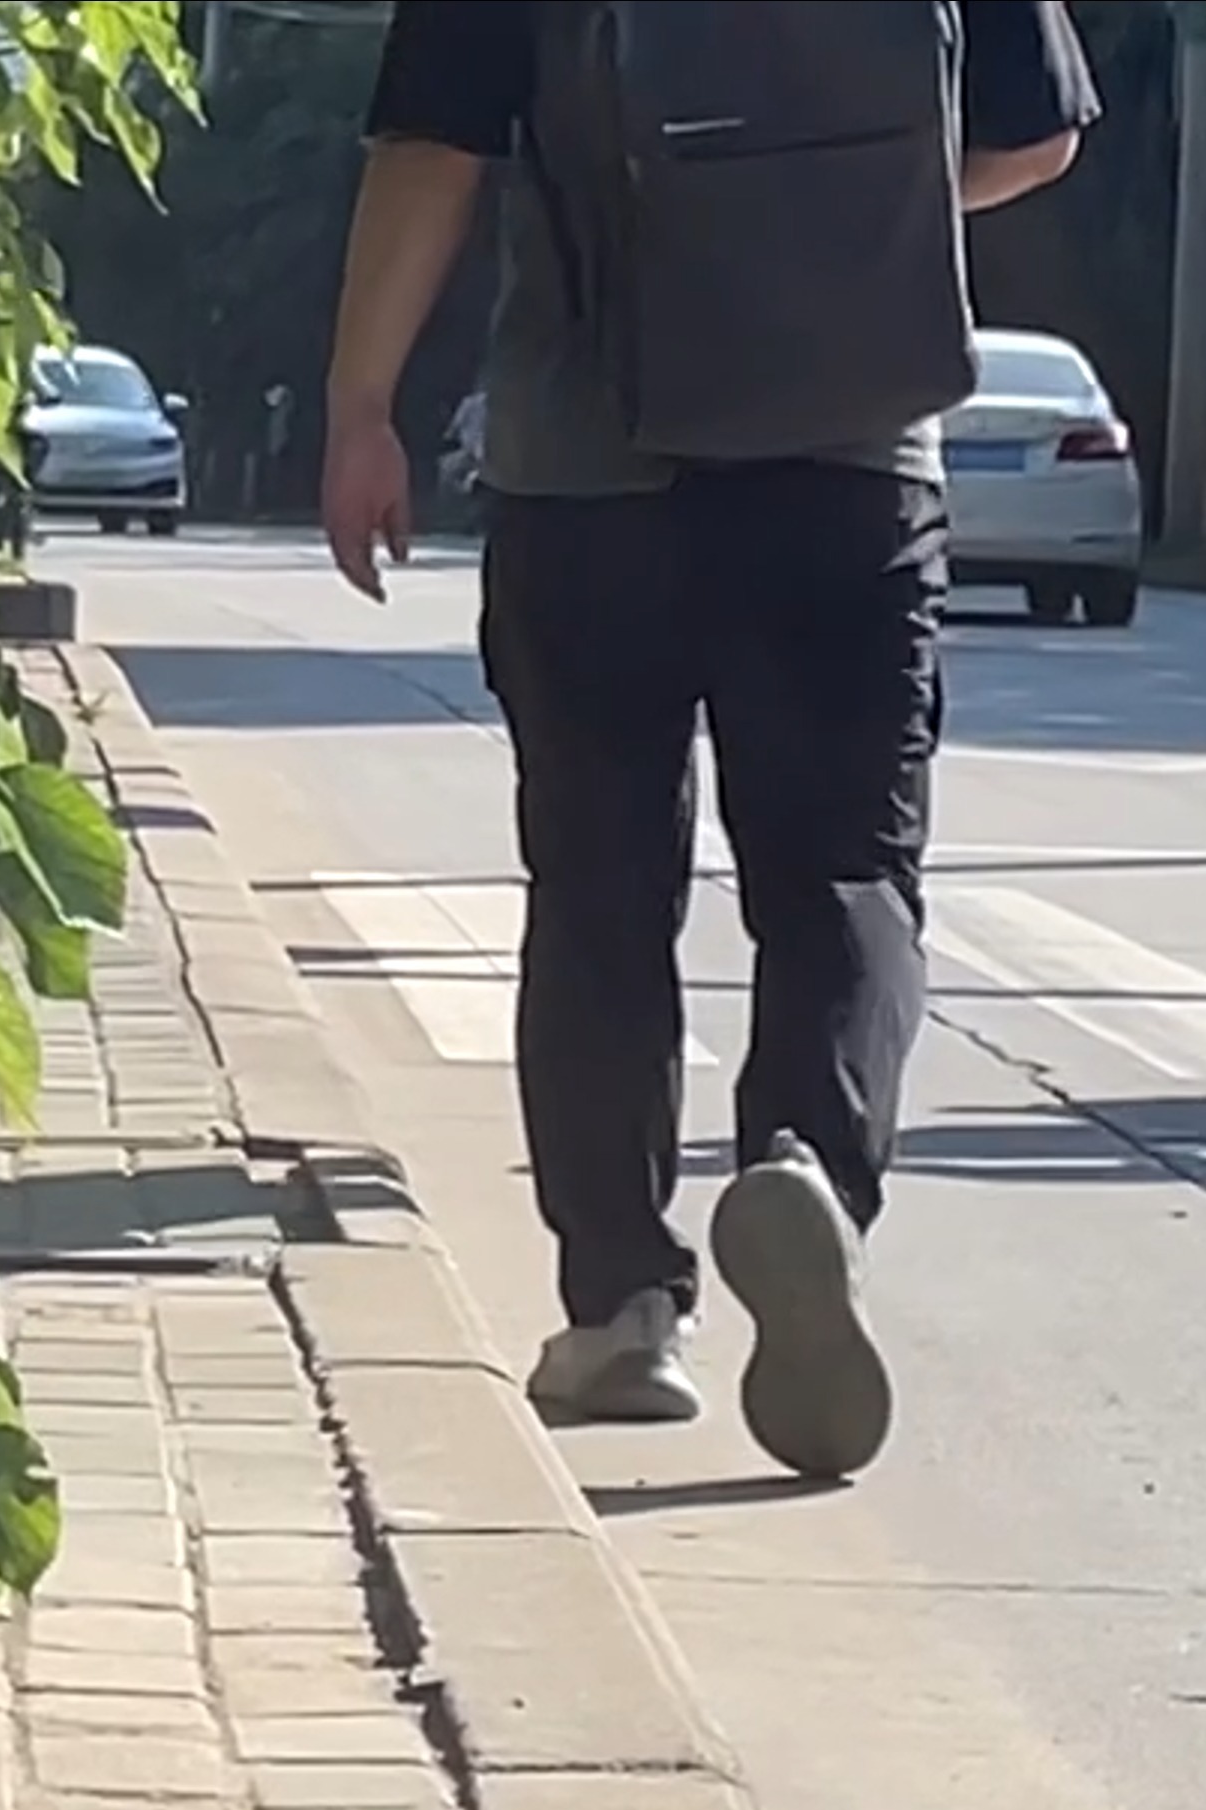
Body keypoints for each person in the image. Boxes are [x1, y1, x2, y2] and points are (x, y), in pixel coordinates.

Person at [318, 4, 1099, 1473]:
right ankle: (810, 1173)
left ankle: (621, 1307)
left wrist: (363, 405)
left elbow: (433, 147)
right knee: (846, 878)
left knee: (599, 893)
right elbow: (1036, 135)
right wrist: (821, 230)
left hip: (584, 471)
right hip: (850, 463)